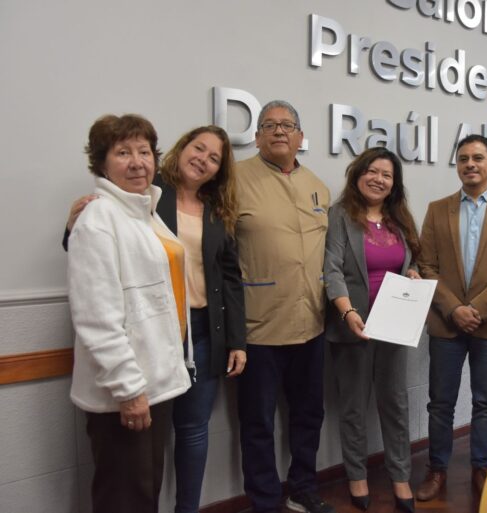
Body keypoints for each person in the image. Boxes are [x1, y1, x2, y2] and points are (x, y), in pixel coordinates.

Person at [65, 125, 247, 513]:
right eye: (199, 148)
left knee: (175, 446)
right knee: (130, 477)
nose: (203, 159)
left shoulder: (195, 209)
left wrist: (237, 340)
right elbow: (95, 289)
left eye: (214, 157)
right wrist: (72, 226)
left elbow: (231, 277)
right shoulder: (134, 200)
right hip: (141, 350)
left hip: (196, 336)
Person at [67, 114, 192, 513]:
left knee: (143, 493)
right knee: (124, 499)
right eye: (123, 153)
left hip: (155, 384)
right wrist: (129, 390)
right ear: (102, 163)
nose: (137, 162)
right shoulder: (99, 218)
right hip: (127, 393)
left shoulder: (144, 213)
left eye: (144, 152)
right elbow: (96, 318)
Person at [235, 100, 336, 513]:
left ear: (300, 137)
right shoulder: (233, 180)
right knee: (257, 422)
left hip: (311, 322)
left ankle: (302, 488)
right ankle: (263, 501)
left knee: (309, 414)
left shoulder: (318, 186)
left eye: (287, 125)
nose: (279, 131)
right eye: (269, 125)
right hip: (258, 326)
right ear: (257, 136)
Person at [416, 135, 487, 500]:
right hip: (446, 323)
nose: (470, 164)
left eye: (478, 158)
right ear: (457, 165)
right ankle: (437, 469)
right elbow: (427, 266)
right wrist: (454, 309)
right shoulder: (437, 209)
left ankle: (482, 466)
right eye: (463, 158)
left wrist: (476, 310)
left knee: (486, 402)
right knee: (440, 403)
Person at [323, 147, 420, 513]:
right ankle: (357, 475)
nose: (379, 179)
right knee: (353, 405)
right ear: (358, 173)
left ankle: (400, 475)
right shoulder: (340, 215)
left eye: (387, 175)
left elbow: (410, 261)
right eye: (373, 171)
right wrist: (346, 311)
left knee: (395, 403)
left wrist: (413, 273)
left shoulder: (400, 218)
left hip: (395, 325)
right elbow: (332, 268)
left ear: (394, 184)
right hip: (355, 326)